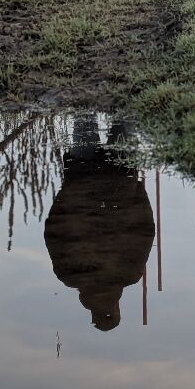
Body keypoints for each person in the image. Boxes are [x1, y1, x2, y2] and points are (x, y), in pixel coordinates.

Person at [43, 115, 155, 331]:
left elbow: (144, 228)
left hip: (121, 178)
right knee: (84, 115)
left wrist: (138, 189)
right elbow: (54, 231)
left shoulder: (130, 273)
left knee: (125, 112)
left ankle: (121, 85)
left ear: (116, 308)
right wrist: (65, 195)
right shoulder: (68, 274)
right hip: (80, 177)